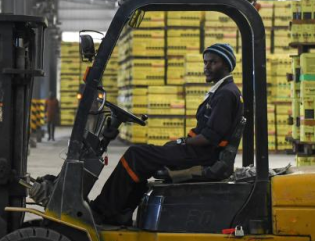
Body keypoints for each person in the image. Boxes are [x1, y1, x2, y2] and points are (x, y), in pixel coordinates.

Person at [90, 43, 244, 225]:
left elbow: (210, 137)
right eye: (205, 62)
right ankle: (121, 211)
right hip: (203, 152)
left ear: (226, 65)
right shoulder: (221, 92)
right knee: (147, 157)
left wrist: (181, 142)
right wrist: (179, 143)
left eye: (213, 63)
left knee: (136, 155)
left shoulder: (225, 94)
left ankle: (102, 211)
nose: (207, 67)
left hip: (205, 156)